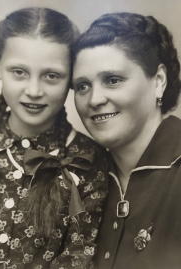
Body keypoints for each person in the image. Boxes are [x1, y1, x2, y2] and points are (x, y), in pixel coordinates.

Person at [0, 8, 109, 269]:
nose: (34, 90)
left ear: (71, 77)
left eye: (51, 75)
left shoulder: (86, 161)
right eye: (19, 71)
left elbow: (78, 255)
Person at [72, 12, 181, 269]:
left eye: (112, 80)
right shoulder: (84, 179)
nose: (94, 99)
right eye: (82, 86)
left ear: (159, 82)